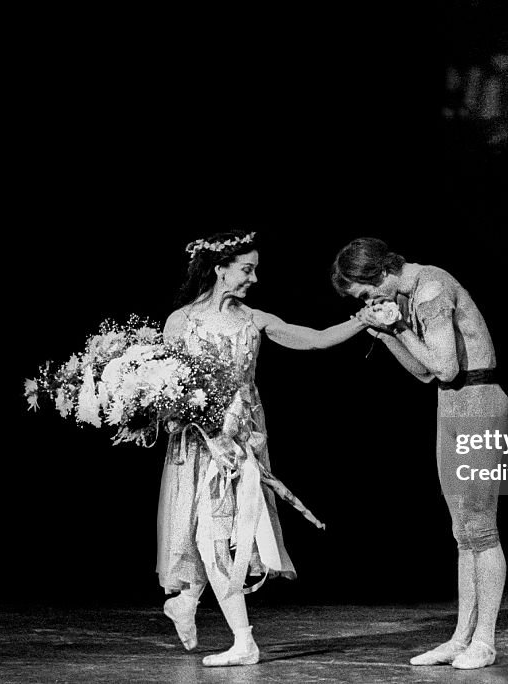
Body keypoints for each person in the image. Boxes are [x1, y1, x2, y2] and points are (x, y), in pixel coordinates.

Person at [159, 230, 367, 667]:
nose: (254, 277)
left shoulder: (254, 320)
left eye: (255, 269)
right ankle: (210, 616)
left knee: (220, 536)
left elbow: (313, 338)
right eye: (247, 268)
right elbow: (168, 391)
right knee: (204, 533)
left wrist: (364, 322)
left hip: (240, 442)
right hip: (199, 446)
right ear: (220, 269)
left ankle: (203, 611)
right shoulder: (181, 322)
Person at [332, 237, 508, 670]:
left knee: (481, 529)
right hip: (451, 404)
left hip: (479, 403)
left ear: (377, 274)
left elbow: (447, 367)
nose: (369, 300)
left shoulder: (430, 288)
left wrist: (400, 328)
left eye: (365, 292)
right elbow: (424, 372)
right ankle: (460, 638)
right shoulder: (410, 295)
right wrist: (386, 332)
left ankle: (484, 641)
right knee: (462, 531)